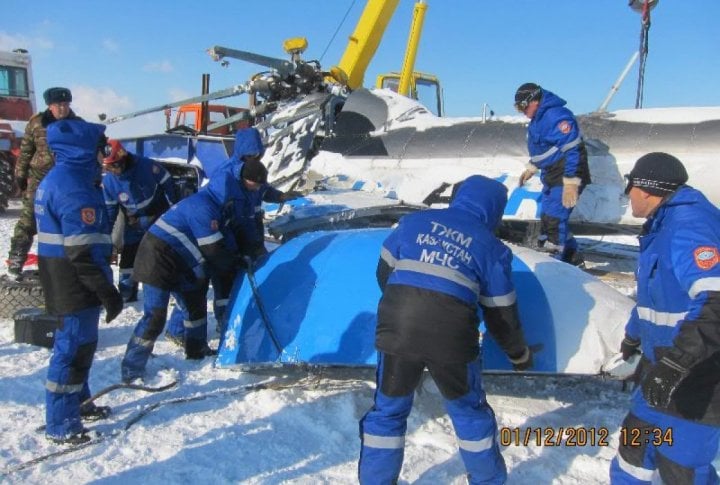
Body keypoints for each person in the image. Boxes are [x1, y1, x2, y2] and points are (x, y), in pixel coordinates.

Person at [358, 175, 533, 484]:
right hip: (451, 337)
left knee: (387, 412)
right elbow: (502, 314)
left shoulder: (415, 221)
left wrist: (404, 310)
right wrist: (519, 354)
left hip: (397, 328)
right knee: (469, 413)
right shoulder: (492, 248)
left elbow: (383, 272)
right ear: (494, 210)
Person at [610, 153, 720, 483]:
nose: (627, 194)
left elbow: (716, 302)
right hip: (662, 370)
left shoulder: (690, 228)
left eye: (630, 186)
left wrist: (675, 365)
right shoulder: (662, 228)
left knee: (681, 469)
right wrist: (633, 337)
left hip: (700, 377)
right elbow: (654, 299)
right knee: (634, 447)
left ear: (647, 188)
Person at [164, 128, 300, 344]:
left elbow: (262, 190)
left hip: (247, 231)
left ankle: (228, 319)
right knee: (212, 279)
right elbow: (221, 212)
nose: (254, 159)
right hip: (223, 233)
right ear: (241, 153)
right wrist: (229, 244)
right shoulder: (226, 175)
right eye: (250, 155)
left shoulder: (252, 171)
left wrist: (281, 196)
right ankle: (184, 328)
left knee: (235, 279)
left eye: (257, 155)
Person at [35, 119, 124, 445]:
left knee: (82, 345)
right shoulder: (74, 188)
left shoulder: (63, 177)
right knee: (72, 350)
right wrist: (107, 291)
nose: (104, 155)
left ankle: (80, 404)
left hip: (65, 275)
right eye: (100, 148)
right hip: (74, 279)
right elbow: (83, 253)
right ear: (84, 149)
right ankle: (61, 423)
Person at [120, 169, 243, 382]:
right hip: (157, 258)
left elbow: (225, 237)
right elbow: (213, 249)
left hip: (181, 260)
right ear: (225, 193)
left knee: (195, 303)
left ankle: (196, 349)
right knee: (154, 316)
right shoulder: (202, 207)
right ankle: (132, 367)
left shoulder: (217, 207)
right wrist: (234, 264)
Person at [7, 87, 81, 278]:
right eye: (59, 105)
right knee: (28, 222)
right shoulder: (36, 123)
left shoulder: (78, 124)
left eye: (66, 104)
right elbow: (25, 152)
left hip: (65, 183)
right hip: (39, 181)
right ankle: (16, 262)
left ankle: (59, 268)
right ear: (50, 105)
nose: (63, 109)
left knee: (61, 226)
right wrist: (20, 176)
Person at [515, 82, 591, 266]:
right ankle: (572, 256)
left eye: (523, 106)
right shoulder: (538, 119)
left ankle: (555, 264)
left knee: (555, 220)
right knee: (549, 216)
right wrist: (532, 167)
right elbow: (545, 149)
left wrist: (571, 182)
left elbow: (574, 149)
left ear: (534, 101)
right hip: (552, 172)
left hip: (567, 171)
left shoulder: (555, 116)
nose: (522, 111)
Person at [101, 139, 178, 302]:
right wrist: (104, 237)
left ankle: (166, 290)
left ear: (123, 158)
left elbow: (168, 183)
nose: (113, 170)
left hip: (157, 214)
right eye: (109, 167)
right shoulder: (109, 182)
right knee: (128, 258)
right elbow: (110, 211)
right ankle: (126, 293)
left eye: (115, 165)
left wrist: (174, 211)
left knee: (161, 255)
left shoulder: (147, 166)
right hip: (133, 220)